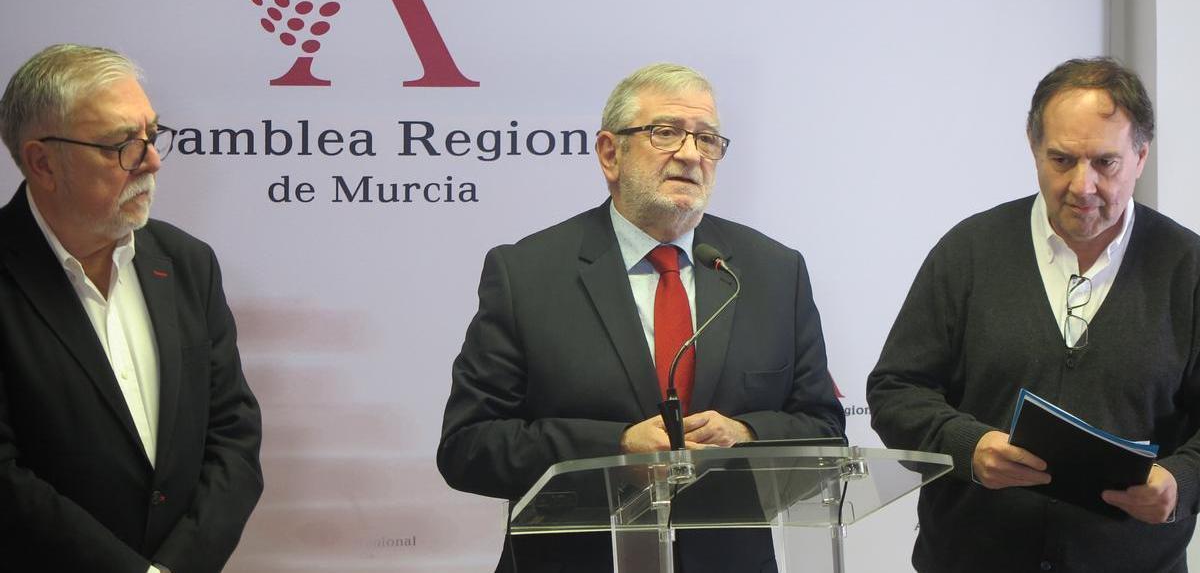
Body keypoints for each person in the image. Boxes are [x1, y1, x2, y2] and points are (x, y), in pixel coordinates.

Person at [438, 62, 845, 572]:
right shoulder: (526, 274)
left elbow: (825, 431)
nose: (691, 154)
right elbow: (468, 446)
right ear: (610, 153)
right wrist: (617, 449)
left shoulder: (773, 273)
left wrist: (745, 434)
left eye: (707, 139)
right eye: (666, 133)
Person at [867, 57, 1200, 572]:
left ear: (1141, 155)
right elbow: (895, 390)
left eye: (1105, 163)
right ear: (1032, 146)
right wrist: (968, 446)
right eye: (1062, 159)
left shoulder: (1188, 268)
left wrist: (1181, 481)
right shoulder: (969, 252)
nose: (1082, 186)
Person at [0, 44, 263, 573]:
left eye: (151, 134)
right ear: (42, 163)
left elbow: (233, 434)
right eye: (120, 143)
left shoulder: (187, 263)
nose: (151, 159)